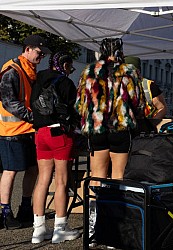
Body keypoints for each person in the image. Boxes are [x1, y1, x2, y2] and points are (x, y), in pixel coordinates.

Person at [75, 38, 145, 246]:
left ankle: (93, 227)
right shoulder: (129, 71)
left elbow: (80, 103)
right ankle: (115, 231)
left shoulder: (88, 71)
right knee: (118, 177)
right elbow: (138, 101)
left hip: (96, 129)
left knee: (96, 178)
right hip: (120, 128)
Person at [0, 34, 51, 229]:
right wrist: (35, 118)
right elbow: (10, 102)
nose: (41, 57)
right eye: (39, 53)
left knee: (32, 169)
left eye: (43, 54)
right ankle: (5, 212)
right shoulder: (11, 71)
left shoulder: (31, 70)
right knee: (10, 171)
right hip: (11, 131)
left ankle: (25, 207)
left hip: (28, 130)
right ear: (28, 49)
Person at [30, 52, 80, 243]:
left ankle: (39, 229)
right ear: (64, 65)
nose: (70, 69)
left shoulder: (38, 80)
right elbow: (74, 110)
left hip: (40, 133)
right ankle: (60, 228)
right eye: (69, 65)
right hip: (59, 134)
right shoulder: (65, 83)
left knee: (42, 180)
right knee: (61, 181)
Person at [124, 56, 167, 133]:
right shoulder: (117, 86)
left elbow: (162, 108)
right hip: (123, 132)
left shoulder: (148, 86)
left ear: (138, 71)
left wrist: (150, 124)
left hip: (144, 132)